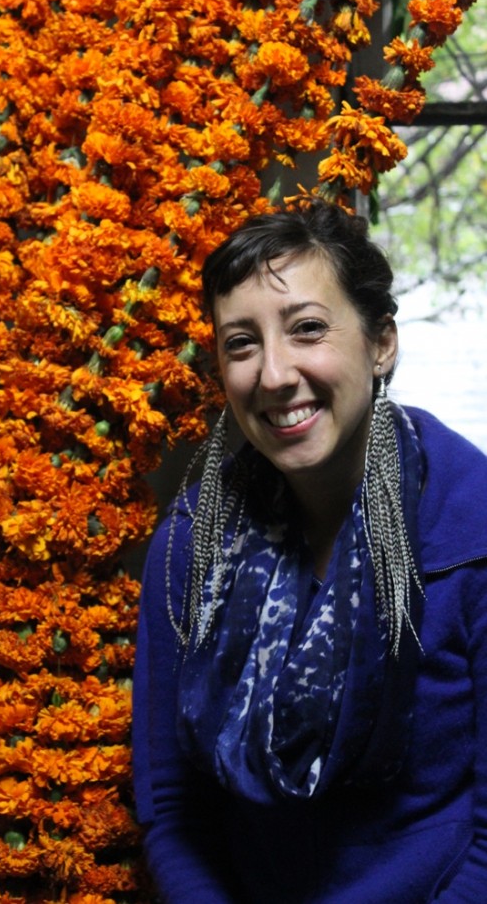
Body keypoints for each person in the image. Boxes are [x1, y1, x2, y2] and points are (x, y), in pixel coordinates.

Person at [131, 199, 487, 903]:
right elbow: (172, 808)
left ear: (380, 341)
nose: (273, 374)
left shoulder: (470, 531)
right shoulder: (188, 545)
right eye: (241, 343)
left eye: (307, 329)